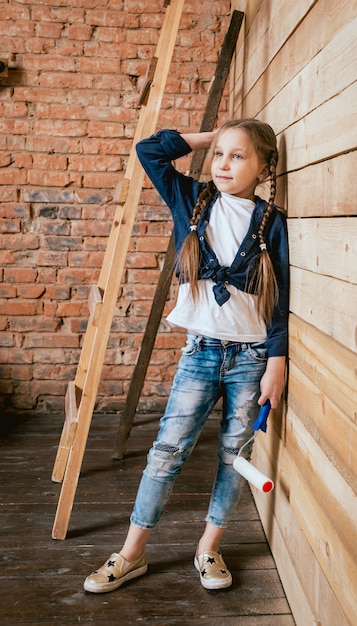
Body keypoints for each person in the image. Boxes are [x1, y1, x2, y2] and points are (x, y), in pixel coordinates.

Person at [84, 118, 289, 594]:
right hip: (200, 352)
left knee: (234, 453)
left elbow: (280, 298)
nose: (223, 164)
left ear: (263, 167)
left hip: (253, 357)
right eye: (220, 154)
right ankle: (132, 552)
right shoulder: (191, 199)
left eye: (238, 156)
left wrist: (276, 361)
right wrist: (209, 137)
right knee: (167, 450)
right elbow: (149, 151)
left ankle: (209, 547)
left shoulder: (271, 222)